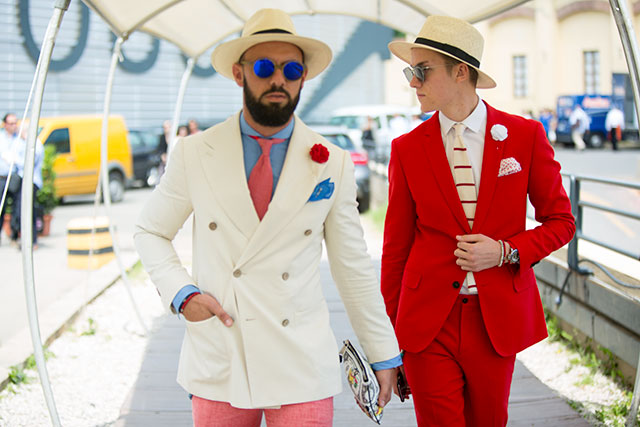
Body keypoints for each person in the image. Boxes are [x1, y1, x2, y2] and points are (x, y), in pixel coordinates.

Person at [134, 8, 401, 427]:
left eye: (291, 69)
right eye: (264, 67)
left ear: (303, 77)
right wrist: (182, 293)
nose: (279, 79)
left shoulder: (333, 162)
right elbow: (150, 230)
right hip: (221, 352)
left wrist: (383, 352)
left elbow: (352, 267)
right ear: (239, 73)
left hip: (301, 360)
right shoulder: (194, 153)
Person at [381, 15, 576, 426]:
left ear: (460, 72)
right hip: (426, 322)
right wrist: (387, 340)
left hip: (495, 320)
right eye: (410, 72)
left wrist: (505, 251)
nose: (413, 82)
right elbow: (395, 251)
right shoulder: (406, 149)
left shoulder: (524, 136)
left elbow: (561, 222)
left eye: (422, 70)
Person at [10, 123, 44, 249]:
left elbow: (28, 164)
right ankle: (26, 239)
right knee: (23, 211)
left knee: (28, 211)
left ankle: (32, 241)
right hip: (24, 181)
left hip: (31, 182)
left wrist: (14, 160)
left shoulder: (36, 145)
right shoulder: (24, 143)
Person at [0, 113, 22, 246]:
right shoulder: (1, 138)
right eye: (11, 123)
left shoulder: (19, 138)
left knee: (17, 208)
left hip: (14, 176)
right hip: (1, 177)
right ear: (5, 124)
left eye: (15, 123)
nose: (14, 126)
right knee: (1, 208)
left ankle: (14, 236)